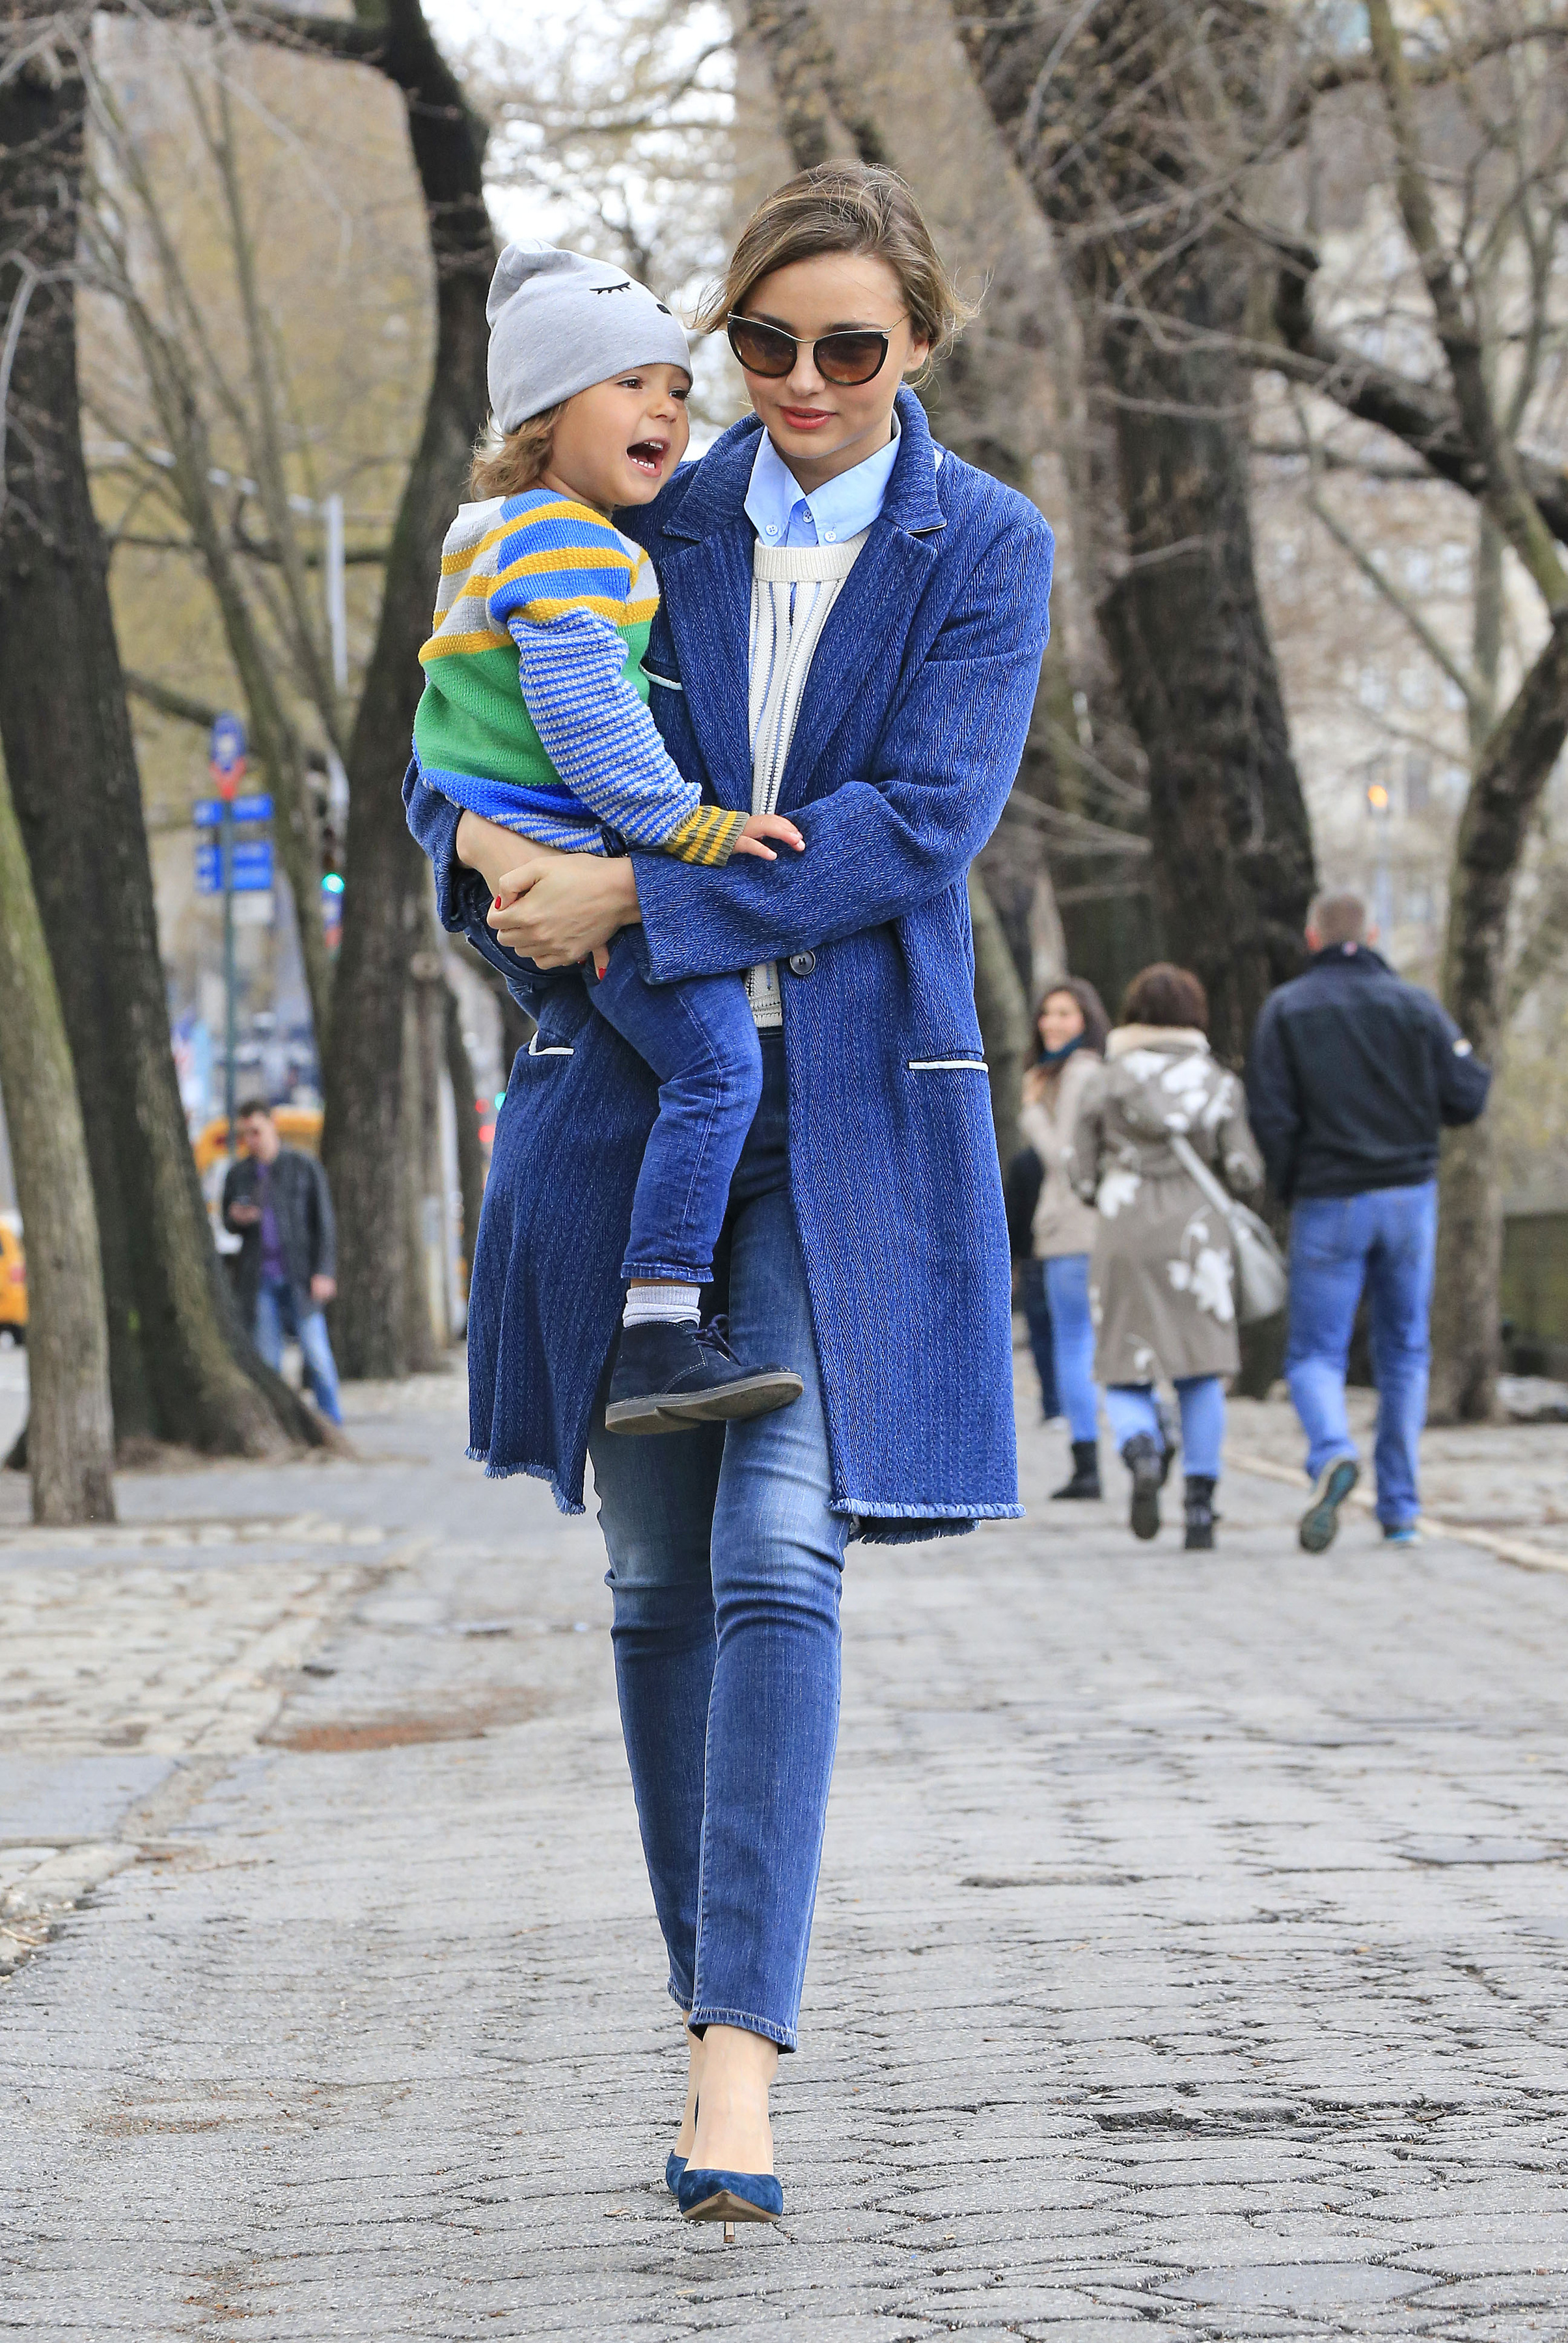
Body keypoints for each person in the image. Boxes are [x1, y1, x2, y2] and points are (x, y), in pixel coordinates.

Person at [405, 162, 1054, 2229]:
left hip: (842, 1116)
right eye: (762, 341)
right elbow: (460, 727)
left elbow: (915, 827)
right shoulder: (637, 507)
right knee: (651, 1582)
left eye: (848, 346)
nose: (800, 382)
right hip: (626, 1107)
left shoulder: (984, 547)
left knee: (781, 1548)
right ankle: (718, 2004)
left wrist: (639, 892)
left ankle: (733, 2066)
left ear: (919, 345)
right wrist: (488, 864)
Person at [413, 243, 806, 1432]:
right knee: (717, 1068)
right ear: (543, 410)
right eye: (630, 385)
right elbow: (590, 721)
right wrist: (690, 829)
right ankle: (658, 1330)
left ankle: (655, 1326)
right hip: (570, 847)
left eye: (678, 389)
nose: (666, 410)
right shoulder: (573, 544)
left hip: (520, 851)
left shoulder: (498, 533)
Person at [1245, 888, 1491, 1553]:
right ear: (1374, 935)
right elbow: (1468, 1094)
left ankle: (1331, 1451)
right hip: (1409, 1199)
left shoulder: (1286, 1009)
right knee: (1404, 1352)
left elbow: (1270, 1114)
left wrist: (1293, 1184)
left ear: (1312, 938)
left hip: (1329, 1200)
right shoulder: (1416, 1006)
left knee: (1314, 1355)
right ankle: (1400, 1511)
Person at [1068, 964, 1263, 1550]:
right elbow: (1244, 1171)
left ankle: (1141, 1449)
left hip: (1124, 1228)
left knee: (1124, 1363)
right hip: (1197, 1235)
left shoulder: (1104, 1080)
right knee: (1201, 1371)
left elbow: (1080, 1174)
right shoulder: (1218, 1082)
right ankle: (1200, 1509)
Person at [1019, 976, 1109, 1499]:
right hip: (1085, 1226)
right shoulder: (1065, 1072)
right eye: (1047, 1013)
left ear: (1086, 1020)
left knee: (1075, 1342)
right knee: (1101, 1339)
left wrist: (1031, 1110)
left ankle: (1088, 1463)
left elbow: (1065, 1158)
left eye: (1065, 1014)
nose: (1051, 1023)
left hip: (1073, 1226)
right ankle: (1149, 1435)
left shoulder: (1078, 1073)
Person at [221, 1101, 342, 1425]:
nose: (252, 1140)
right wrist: (237, 1218)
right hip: (260, 1278)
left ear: (272, 1126)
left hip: (301, 1275)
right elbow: (227, 1221)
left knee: (317, 1354)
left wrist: (324, 1271)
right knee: (269, 1359)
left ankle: (332, 1422)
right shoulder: (239, 1174)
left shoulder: (303, 1167)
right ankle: (282, 1425)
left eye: (256, 1131)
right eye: (245, 1134)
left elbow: (324, 1223)